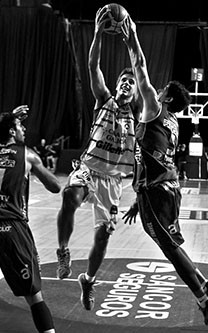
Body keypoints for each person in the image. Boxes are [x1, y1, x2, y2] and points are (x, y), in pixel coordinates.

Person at [121, 15, 208, 327]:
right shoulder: (174, 122)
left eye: (161, 88)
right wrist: (138, 199)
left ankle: (205, 299)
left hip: (156, 189)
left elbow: (139, 67)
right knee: (173, 244)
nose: (156, 88)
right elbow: (152, 154)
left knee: (167, 247)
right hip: (165, 187)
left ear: (165, 96)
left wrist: (131, 38)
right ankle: (207, 287)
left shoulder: (154, 107)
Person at [55, 6, 140, 312]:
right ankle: (63, 250)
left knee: (102, 238)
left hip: (114, 182)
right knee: (70, 194)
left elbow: (139, 72)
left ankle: (88, 280)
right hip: (89, 169)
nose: (127, 84)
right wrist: (97, 35)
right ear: (116, 86)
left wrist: (132, 46)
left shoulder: (137, 113)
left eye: (131, 83)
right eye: (123, 81)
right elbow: (93, 66)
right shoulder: (103, 99)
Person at [0, 106, 61, 333]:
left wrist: (9, 116)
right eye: (20, 126)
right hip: (11, 228)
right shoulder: (27, 155)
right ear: (11, 131)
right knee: (33, 294)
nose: (24, 130)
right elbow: (55, 187)